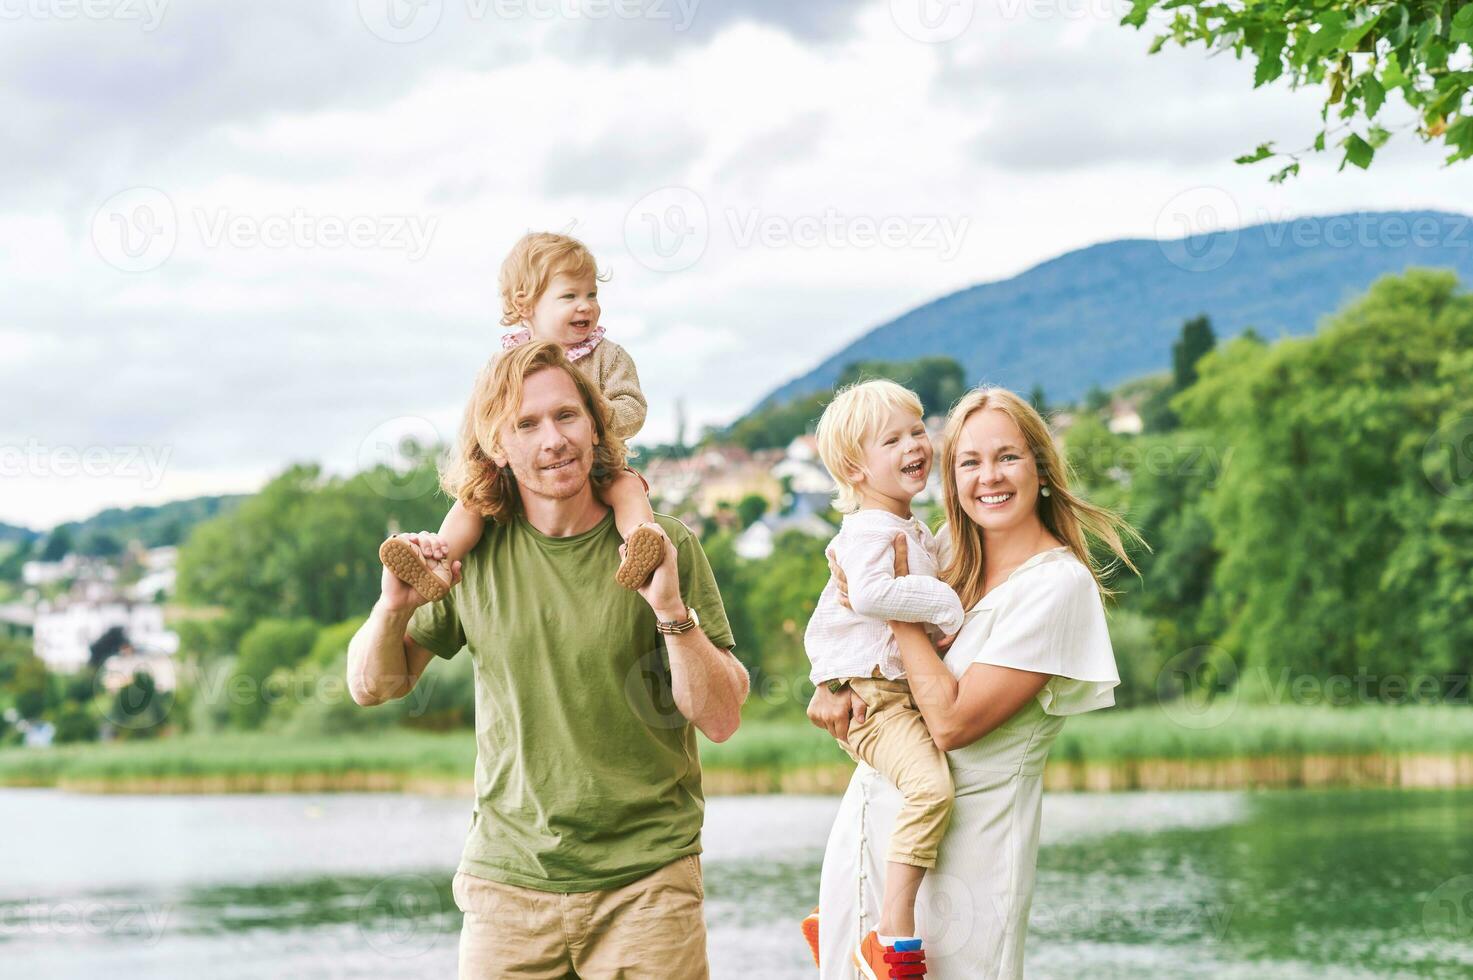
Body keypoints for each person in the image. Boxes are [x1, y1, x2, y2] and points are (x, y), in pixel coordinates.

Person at [347, 339, 750, 978]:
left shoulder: (662, 543)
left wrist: (670, 609)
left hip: (646, 884)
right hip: (507, 887)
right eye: (527, 425)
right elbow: (371, 687)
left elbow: (722, 719)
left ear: (594, 423)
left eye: (566, 416)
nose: (553, 439)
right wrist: (392, 607)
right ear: (498, 449)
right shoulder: (466, 558)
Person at [806, 386, 1140, 979]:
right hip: (867, 848)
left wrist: (898, 611)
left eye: (1007, 456)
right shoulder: (943, 557)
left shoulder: (1056, 587)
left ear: (1040, 466)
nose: (990, 477)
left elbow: (952, 723)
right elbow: (856, 623)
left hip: (968, 877)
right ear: (951, 477)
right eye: (970, 461)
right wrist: (834, 681)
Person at [377, 231, 665, 604]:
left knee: (627, 488)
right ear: (525, 305)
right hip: (521, 473)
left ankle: (641, 545)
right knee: (473, 504)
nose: (585, 306)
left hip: (596, 464)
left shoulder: (607, 356)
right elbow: (482, 420)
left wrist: (593, 412)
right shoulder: (504, 367)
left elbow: (634, 408)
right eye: (569, 296)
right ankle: (438, 561)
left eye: (592, 295)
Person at [802, 380, 966, 978]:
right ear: (855, 467)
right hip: (879, 701)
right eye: (891, 439)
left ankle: (840, 915)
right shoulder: (871, 531)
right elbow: (871, 595)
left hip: (890, 693)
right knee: (929, 790)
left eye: (917, 431)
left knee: (889, 799)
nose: (914, 446)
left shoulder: (905, 526)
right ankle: (890, 929)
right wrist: (944, 606)